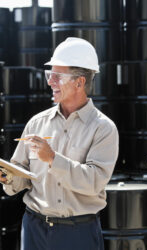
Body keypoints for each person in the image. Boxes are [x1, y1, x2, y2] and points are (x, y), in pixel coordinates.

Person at [0, 37, 119, 250]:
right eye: (49, 74)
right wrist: (7, 177)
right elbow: (21, 176)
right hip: (34, 229)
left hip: (77, 233)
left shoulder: (103, 129)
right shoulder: (37, 123)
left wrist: (53, 159)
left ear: (79, 82)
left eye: (57, 76)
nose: (49, 81)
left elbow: (94, 182)